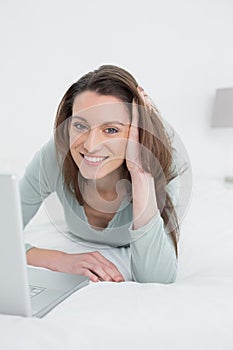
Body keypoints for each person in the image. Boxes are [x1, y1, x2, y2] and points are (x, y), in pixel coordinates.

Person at [20, 64, 185, 283]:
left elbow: (158, 278)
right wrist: (57, 259)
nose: (91, 145)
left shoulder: (165, 166)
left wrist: (141, 173)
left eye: (111, 130)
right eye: (80, 125)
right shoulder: (55, 155)